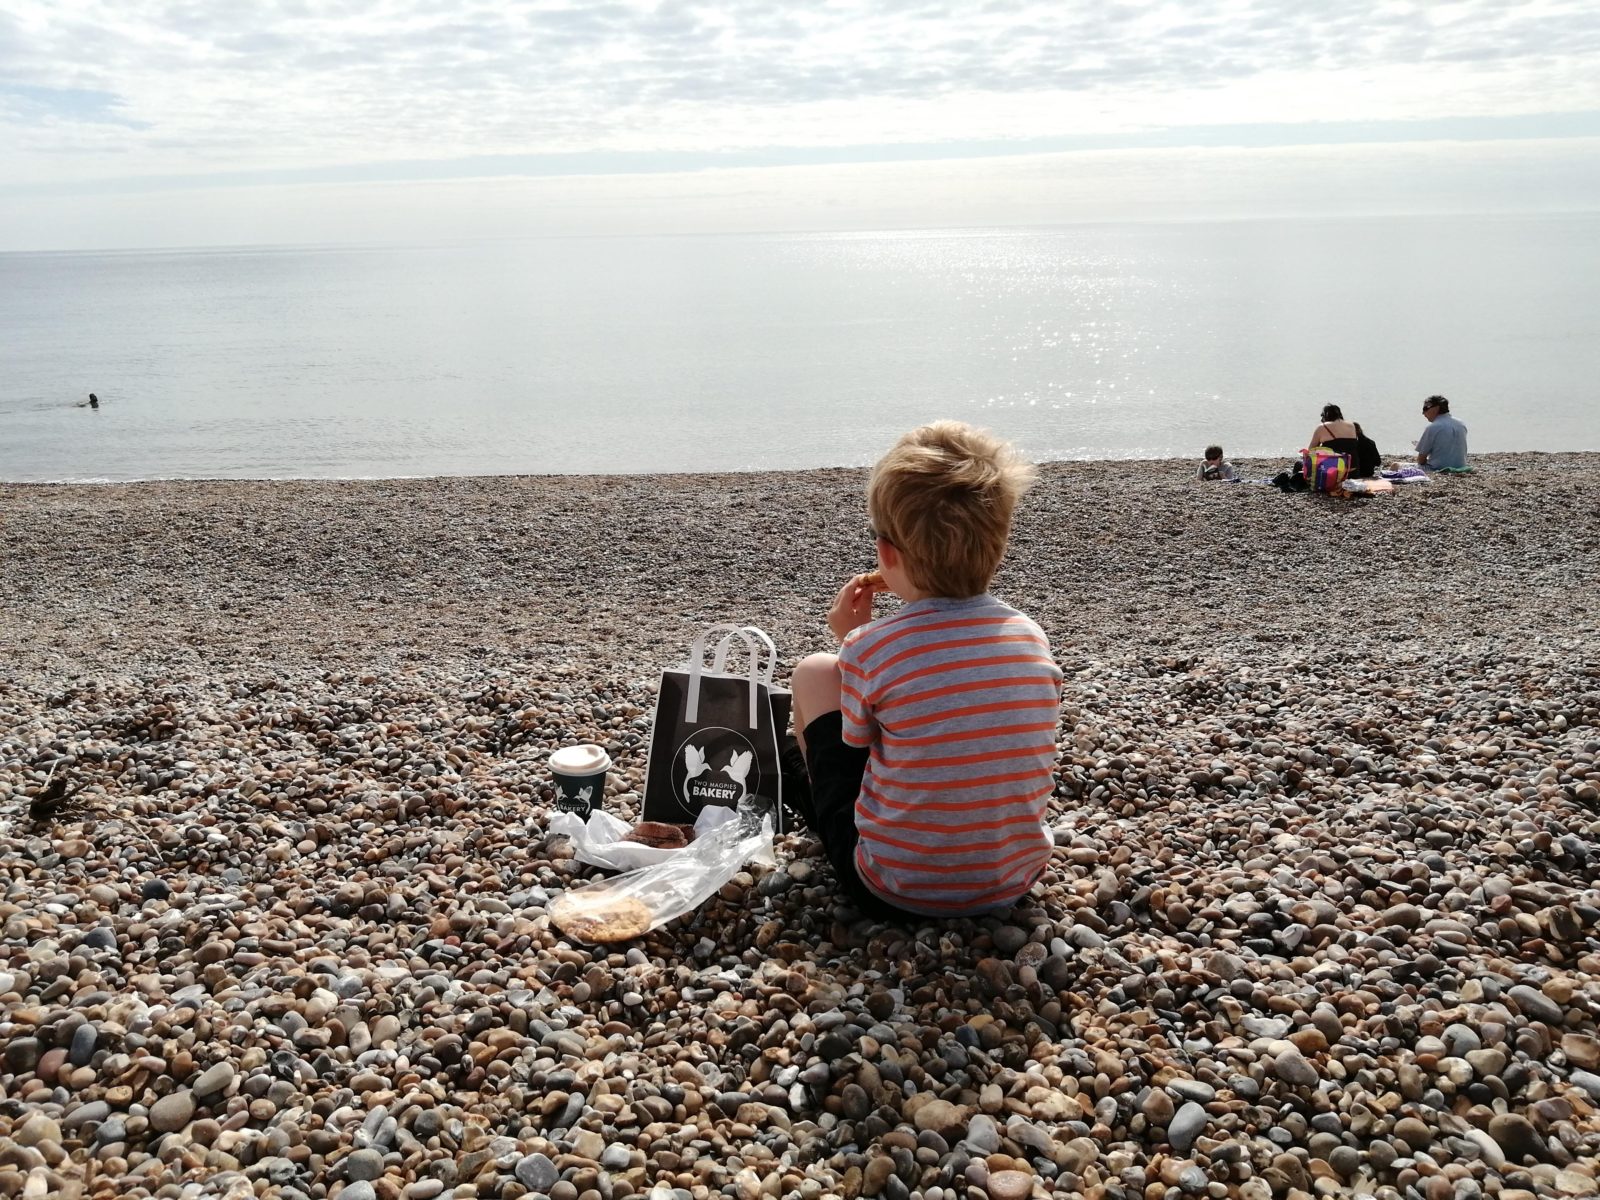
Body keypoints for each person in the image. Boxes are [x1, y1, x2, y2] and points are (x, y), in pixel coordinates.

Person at [786, 421, 1063, 919]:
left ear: (886, 553)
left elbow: (858, 747)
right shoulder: (1029, 635)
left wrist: (847, 642)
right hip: (1010, 881)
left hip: (892, 889)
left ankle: (823, 818)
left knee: (813, 672)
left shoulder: (872, 645)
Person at [1306, 404, 1378, 478]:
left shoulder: (1322, 427)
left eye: (1322, 416)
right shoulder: (1351, 425)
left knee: (1300, 465)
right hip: (1353, 472)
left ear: (1326, 416)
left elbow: (1311, 451)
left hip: (1332, 475)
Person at [1416, 395, 1469, 470]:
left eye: (1425, 408)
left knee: (1396, 465)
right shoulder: (1461, 424)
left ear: (1436, 408)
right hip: (1461, 466)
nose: (1423, 413)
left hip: (1437, 468)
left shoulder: (1432, 427)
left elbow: (1421, 460)